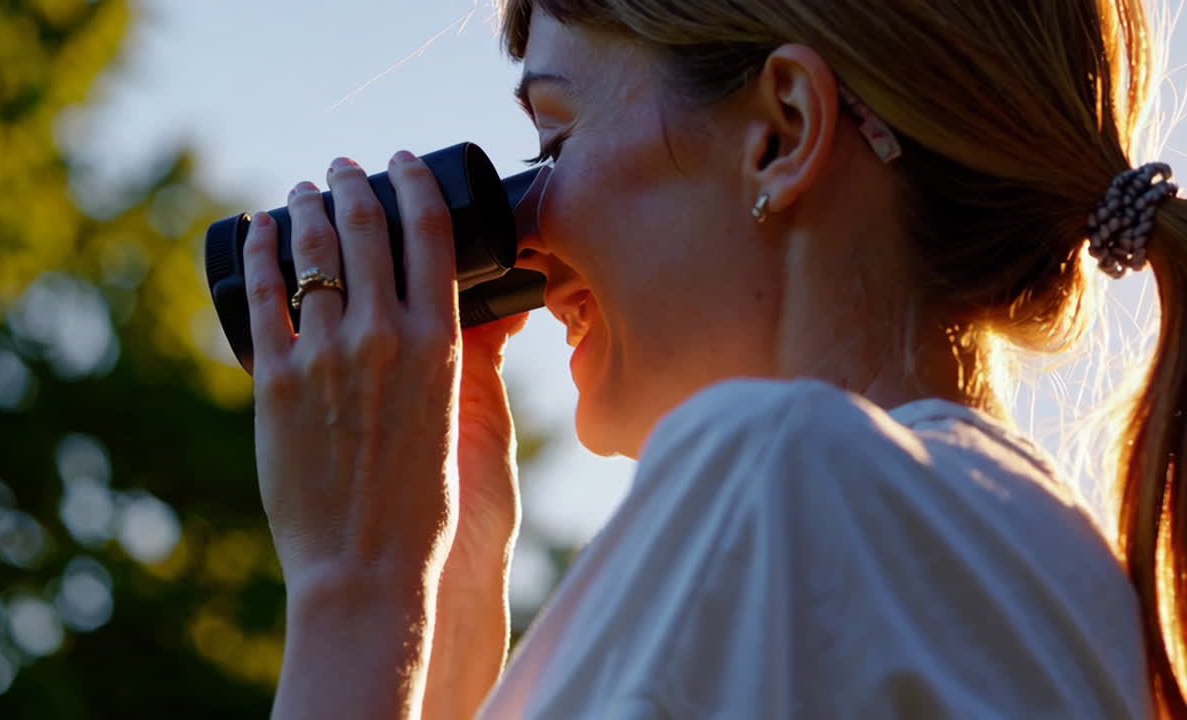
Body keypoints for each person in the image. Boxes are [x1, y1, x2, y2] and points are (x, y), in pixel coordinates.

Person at [237, 0, 1187, 716]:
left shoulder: (783, 480)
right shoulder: (1060, 582)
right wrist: (444, 631)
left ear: (782, 132)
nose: (523, 241)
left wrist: (353, 587)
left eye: (554, 142)